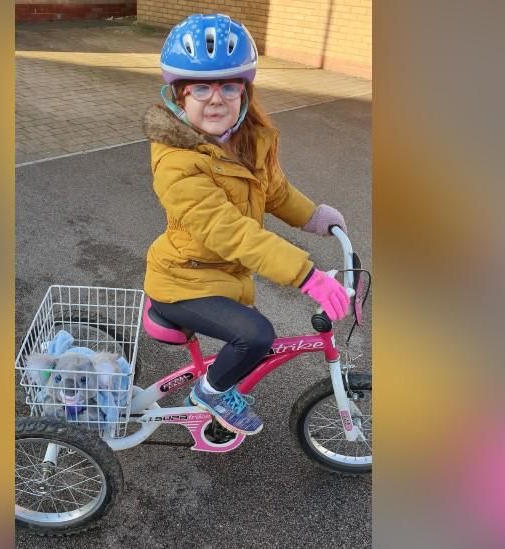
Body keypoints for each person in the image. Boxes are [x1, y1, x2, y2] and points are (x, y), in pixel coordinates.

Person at [141, 13, 350, 435]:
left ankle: (217, 387)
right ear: (179, 97)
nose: (215, 99)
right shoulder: (176, 163)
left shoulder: (245, 141)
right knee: (256, 337)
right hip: (183, 281)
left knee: (251, 339)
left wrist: (313, 217)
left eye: (229, 87)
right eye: (200, 88)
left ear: (244, 92)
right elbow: (230, 232)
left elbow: (274, 192)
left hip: (220, 276)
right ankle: (210, 394)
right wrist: (306, 276)